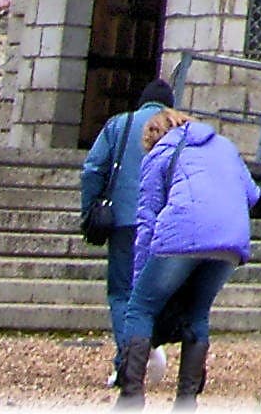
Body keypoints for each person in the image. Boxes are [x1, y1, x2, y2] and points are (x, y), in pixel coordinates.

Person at [113, 106, 256, 403]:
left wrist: (140, 277)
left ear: (154, 136)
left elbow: (148, 220)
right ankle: (187, 401)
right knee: (197, 312)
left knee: (140, 308)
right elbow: (253, 194)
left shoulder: (160, 153)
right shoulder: (224, 145)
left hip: (182, 232)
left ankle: (131, 397)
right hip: (230, 238)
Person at [77, 79, 173, 379]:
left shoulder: (120, 124)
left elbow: (93, 169)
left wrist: (89, 208)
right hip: (166, 224)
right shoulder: (181, 131)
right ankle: (152, 344)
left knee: (121, 294)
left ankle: (129, 361)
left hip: (124, 220)